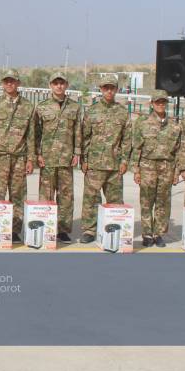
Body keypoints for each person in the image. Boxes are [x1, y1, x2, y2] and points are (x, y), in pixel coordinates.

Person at [0, 69, 35, 242]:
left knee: (18, 195)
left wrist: (30, 159)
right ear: (2, 84)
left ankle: (14, 230)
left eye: (12, 81)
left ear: (18, 83)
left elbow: (31, 135)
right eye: (6, 81)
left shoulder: (28, 106)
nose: (9, 84)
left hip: (19, 157)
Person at [79, 73, 131, 243]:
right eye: (106, 88)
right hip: (94, 165)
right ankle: (89, 230)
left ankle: (114, 228)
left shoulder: (123, 113)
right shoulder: (91, 111)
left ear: (116, 90)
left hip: (115, 165)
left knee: (115, 201)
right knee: (91, 199)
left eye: (112, 88)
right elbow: (84, 137)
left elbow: (127, 139)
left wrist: (125, 161)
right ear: (101, 89)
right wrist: (84, 160)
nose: (109, 91)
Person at [34, 71, 82, 242]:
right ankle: (45, 227)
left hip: (66, 158)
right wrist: (37, 154)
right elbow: (36, 133)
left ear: (66, 85)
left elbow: (78, 131)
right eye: (56, 83)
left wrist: (77, 152)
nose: (59, 86)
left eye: (62, 83)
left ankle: (63, 230)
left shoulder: (75, 107)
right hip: (47, 159)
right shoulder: (42, 107)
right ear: (50, 85)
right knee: (46, 195)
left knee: (66, 197)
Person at [131, 90, 181, 247]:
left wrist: (177, 172)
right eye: (157, 102)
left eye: (163, 102)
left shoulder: (174, 125)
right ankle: (147, 233)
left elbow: (179, 150)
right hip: (147, 166)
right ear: (152, 104)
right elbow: (136, 147)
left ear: (166, 104)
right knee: (146, 201)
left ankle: (158, 233)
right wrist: (136, 170)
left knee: (163, 201)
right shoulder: (142, 122)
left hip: (167, 166)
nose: (160, 104)